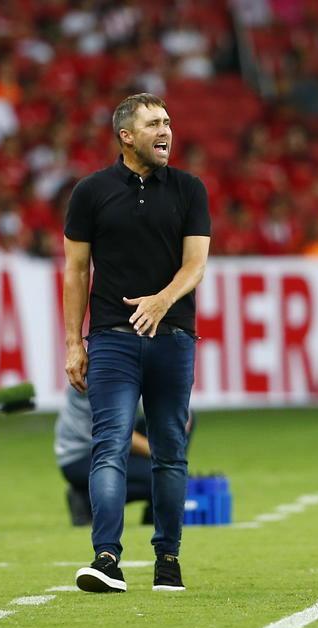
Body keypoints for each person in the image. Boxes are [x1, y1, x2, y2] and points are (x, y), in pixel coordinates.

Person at [62, 93, 211, 594]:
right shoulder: (90, 192)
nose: (165, 130)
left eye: (168, 121)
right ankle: (106, 559)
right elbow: (76, 271)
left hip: (173, 338)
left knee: (170, 451)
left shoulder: (190, 190)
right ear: (126, 136)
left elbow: (196, 265)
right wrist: (72, 343)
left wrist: (161, 301)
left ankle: (168, 559)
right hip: (111, 340)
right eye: (153, 124)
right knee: (109, 448)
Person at [55, 386, 196, 527]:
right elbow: (116, 432)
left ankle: (157, 511)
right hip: (83, 456)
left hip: (114, 445)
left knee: (183, 416)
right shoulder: (102, 373)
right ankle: (86, 500)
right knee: (165, 476)